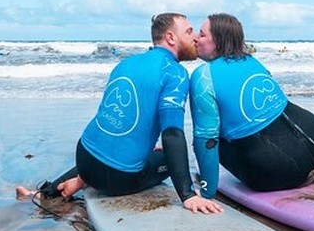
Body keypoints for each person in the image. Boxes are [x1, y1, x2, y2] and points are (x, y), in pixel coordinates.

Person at [16, 13, 223, 214]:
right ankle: (80, 182)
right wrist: (187, 194)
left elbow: (123, 119)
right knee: (170, 159)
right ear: (171, 37)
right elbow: (172, 134)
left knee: (112, 144)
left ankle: (47, 192)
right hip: (116, 178)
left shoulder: (126, 63)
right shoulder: (175, 73)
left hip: (84, 157)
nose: (195, 37)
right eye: (189, 32)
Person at [189, 13, 314, 199]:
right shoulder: (252, 61)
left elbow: (207, 140)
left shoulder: (203, 75)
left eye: (201, 35)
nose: (195, 38)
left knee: (207, 136)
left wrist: (207, 191)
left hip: (275, 171)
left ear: (217, 41)